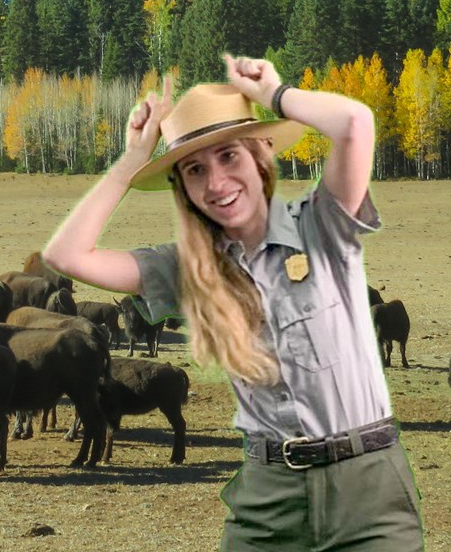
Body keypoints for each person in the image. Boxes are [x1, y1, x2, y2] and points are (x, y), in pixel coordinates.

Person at [42, 55, 424, 551]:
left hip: (367, 488)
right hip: (267, 492)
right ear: (183, 189)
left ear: (262, 152)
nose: (216, 183)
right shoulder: (185, 267)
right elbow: (66, 255)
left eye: (230, 157)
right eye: (195, 170)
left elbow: (355, 123)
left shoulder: (322, 224)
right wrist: (131, 163)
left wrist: (275, 96)